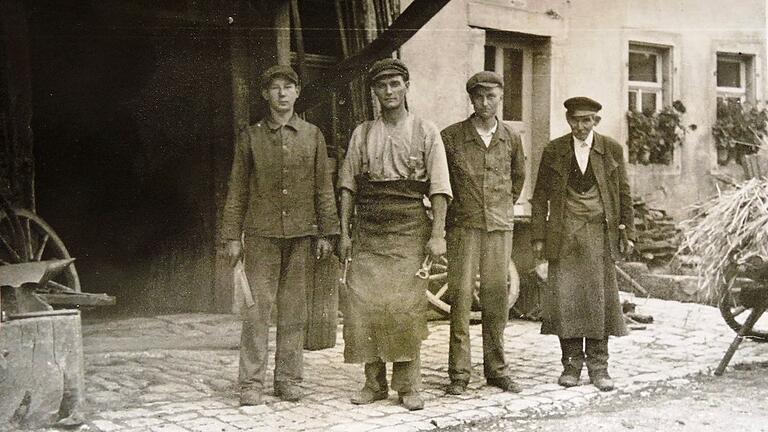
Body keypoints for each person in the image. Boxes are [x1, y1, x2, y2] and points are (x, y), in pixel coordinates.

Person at [337, 58, 452, 411]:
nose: (389, 92)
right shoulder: (362, 133)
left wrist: (437, 234)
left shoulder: (426, 131)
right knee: (367, 306)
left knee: (405, 307)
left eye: (395, 84)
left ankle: (408, 386)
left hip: (408, 228)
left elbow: (439, 187)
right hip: (369, 229)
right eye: (381, 86)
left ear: (406, 87)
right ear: (374, 92)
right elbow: (347, 188)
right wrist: (344, 233)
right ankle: (373, 384)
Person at [221, 65, 340, 406]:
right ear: (265, 95)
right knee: (257, 311)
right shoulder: (251, 136)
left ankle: (288, 380)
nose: (282, 93)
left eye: (289, 87)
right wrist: (232, 235)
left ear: (298, 93)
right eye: (275, 88)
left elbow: (323, 187)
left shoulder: (312, 135)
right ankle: (250, 384)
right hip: (261, 234)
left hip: (302, 234)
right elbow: (238, 189)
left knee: (294, 311)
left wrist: (327, 232)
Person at [530, 96, 635, 392]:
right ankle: (572, 365)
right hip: (564, 235)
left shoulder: (611, 149)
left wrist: (629, 232)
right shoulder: (554, 150)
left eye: (586, 120)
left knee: (599, 302)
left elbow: (623, 193)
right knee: (568, 301)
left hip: (600, 236)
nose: (581, 126)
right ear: (568, 121)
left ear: (595, 122)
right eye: (576, 119)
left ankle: (600, 367)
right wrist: (538, 236)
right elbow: (539, 197)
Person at [440, 71, 526, 395]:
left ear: (500, 98)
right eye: (479, 96)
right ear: (471, 99)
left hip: (499, 227)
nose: (485, 102)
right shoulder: (451, 137)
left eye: (491, 96)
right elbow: (442, 183)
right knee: (460, 298)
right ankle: (459, 374)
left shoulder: (511, 138)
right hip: (463, 227)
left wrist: (499, 208)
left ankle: (497, 369)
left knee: (495, 298)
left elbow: (517, 179)